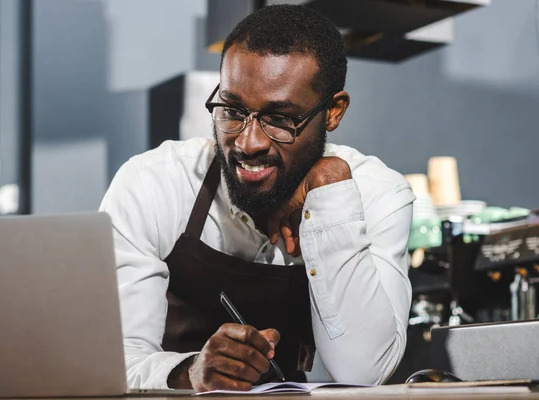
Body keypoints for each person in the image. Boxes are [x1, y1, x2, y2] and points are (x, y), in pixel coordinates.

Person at [100, 4, 415, 392]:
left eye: (281, 119)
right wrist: (191, 371)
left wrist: (330, 189)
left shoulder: (377, 193)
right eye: (232, 110)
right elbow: (111, 362)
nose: (248, 143)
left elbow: (366, 372)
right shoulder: (153, 185)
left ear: (333, 112)